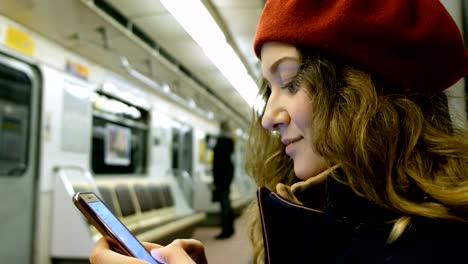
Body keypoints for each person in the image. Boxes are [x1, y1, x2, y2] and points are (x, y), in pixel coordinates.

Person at [89, 0, 468, 263]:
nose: (269, 117)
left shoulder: (437, 247)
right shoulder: (332, 219)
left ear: (364, 93)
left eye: (289, 82)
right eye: (269, 90)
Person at [211, 121, 235, 239]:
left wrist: (216, 180)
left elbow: (217, 164)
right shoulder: (230, 142)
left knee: (224, 204)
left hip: (221, 178)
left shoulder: (220, 142)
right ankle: (230, 229)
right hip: (227, 177)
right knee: (227, 203)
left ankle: (226, 231)